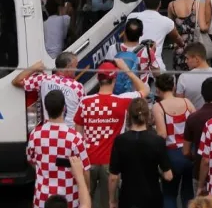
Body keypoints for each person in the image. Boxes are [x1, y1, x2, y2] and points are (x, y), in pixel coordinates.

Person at [74, 61, 149, 208]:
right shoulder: (123, 100)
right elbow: (144, 89)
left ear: (98, 78)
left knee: (84, 201)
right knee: (109, 203)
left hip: (87, 159)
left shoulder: (85, 101)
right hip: (111, 161)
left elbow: (78, 134)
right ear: (114, 79)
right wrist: (126, 69)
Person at [27, 89, 91, 208]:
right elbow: (85, 170)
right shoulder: (75, 138)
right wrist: (86, 191)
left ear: (46, 109)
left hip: (42, 197)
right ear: (64, 108)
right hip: (69, 198)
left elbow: (31, 160)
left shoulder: (35, 134)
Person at [109, 97, 173, 208]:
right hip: (152, 197)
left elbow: (113, 177)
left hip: (128, 197)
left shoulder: (120, 140)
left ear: (129, 115)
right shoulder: (157, 141)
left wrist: (112, 200)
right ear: (148, 116)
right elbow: (168, 176)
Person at [153, 73, 195, 208]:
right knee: (188, 192)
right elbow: (195, 123)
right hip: (189, 152)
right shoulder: (186, 102)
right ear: (174, 87)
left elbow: (162, 135)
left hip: (171, 154)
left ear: (157, 89)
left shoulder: (159, 107)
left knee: (169, 194)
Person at [182, 77, 212, 188]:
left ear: (202, 94)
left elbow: (185, 151)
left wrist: (195, 157)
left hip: (199, 170)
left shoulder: (193, 118)